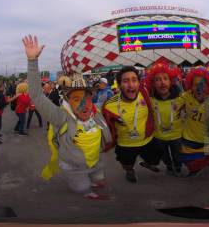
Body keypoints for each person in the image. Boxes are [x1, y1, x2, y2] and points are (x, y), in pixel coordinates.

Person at [23, 35, 113, 200]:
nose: (83, 104)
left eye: (86, 98)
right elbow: (36, 95)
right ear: (68, 102)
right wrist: (32, 61)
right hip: (75, 167)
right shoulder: (61, 117)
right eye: (76, 99)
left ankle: (93, 180)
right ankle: (87, 193)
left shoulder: (96, 112)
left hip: (95, 160)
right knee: (82, 187)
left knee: (97, 176)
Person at [103, 66, 160, 183]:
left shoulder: (145, 93)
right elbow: (106, 126)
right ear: (119, 86)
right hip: (125, 144)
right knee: (127, 164)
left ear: (139, 83)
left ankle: (146, 163)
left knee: (155, 160)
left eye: (134, 80)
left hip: (147, 140)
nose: (131, 85)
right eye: (125, 81)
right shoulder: (109, 105)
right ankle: (130, 170)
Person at [144, 61, 185, 175]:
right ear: (153, 84)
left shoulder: (181, 99)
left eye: (165, 79)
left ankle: (177, 166)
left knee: (178, 155)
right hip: (159, 136)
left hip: (176, 136)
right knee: (164, 156)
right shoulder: (150, 101)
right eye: (158, 79)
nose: (162, 82)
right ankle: (168, 165)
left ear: (171, 81)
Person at [180, 67, 209, 176]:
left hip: (208, 139)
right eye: (196, 85)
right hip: (190, 138)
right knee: (187, 160)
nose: (199, 88)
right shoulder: (185, 97)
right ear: (191, 86)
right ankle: (195, 168)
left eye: (203, 85)